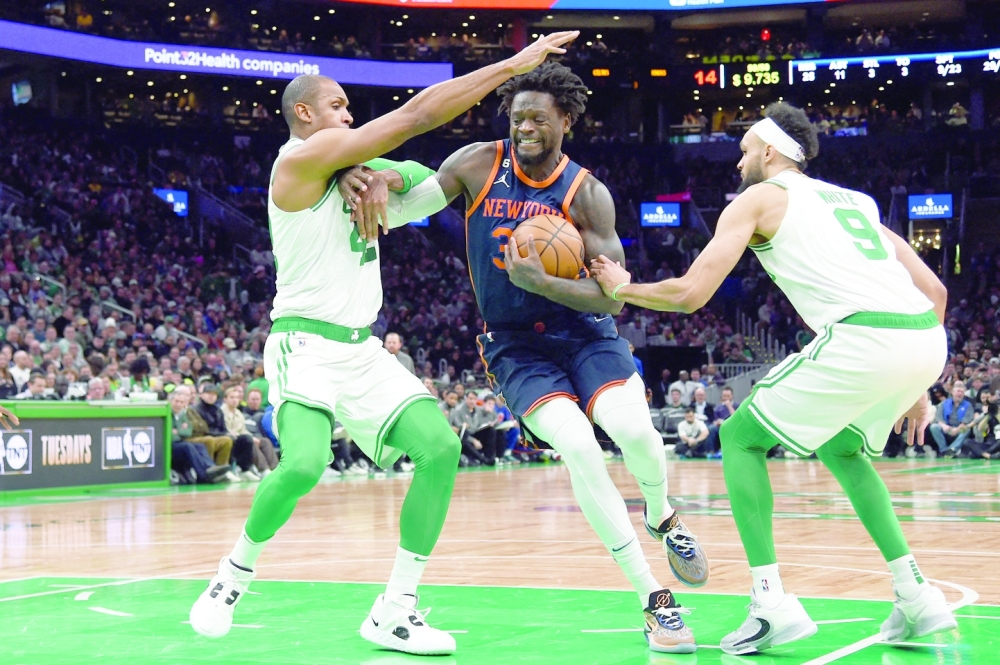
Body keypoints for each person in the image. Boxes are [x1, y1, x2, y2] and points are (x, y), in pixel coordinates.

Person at [189, 32, 579, 658]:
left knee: (440, 447)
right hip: (305, 345)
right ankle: (232, 576)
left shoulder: (348, 174)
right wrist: (512, 65)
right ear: (305, 115)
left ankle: (396, 609)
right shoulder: (294, 166)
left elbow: (434, 176)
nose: (349, 113)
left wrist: (380, 174)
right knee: (304, 464)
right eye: (339, 105)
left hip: (362, 351)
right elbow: (416, 117)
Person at [591, 102, 957, 655]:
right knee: (842, 448)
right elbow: (936, 294)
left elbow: (691, 294)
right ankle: (916, 594)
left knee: (739, 437)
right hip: (924, 339)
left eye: (743, 151)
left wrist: (622, 287)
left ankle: (771, 603)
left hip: (865, 336)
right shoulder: (856, 201)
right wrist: (916, 385)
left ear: (768, 149)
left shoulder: (760, 197)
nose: (738, 162)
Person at [393, 61, 706, 654]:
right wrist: (373, 174)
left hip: (585, 329)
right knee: (580, 447)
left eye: (538, 117)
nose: (525, 128)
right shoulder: (476, 164)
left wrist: (544, 283)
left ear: (566, 119)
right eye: (517, 118)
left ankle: (663, 515)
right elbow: (412, 204)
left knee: (637, 434)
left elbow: (610, 290)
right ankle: (654, 600)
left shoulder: (587, 194)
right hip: (515, 345)